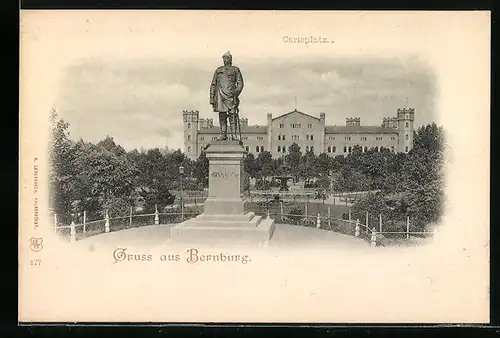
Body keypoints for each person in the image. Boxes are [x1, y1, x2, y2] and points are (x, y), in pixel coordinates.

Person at [209, 52, 244, 140]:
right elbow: (213, 84)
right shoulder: (218, 70)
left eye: (227, 58)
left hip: (231, 95)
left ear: (230, 59)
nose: (225, 60)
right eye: (224, 58)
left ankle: (234, 135)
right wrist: (212, 98)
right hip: (220, 95)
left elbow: (240, 83)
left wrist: (236, 92)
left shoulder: (235, 70)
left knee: (232, 115)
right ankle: (223, 134)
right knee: (222, 115)